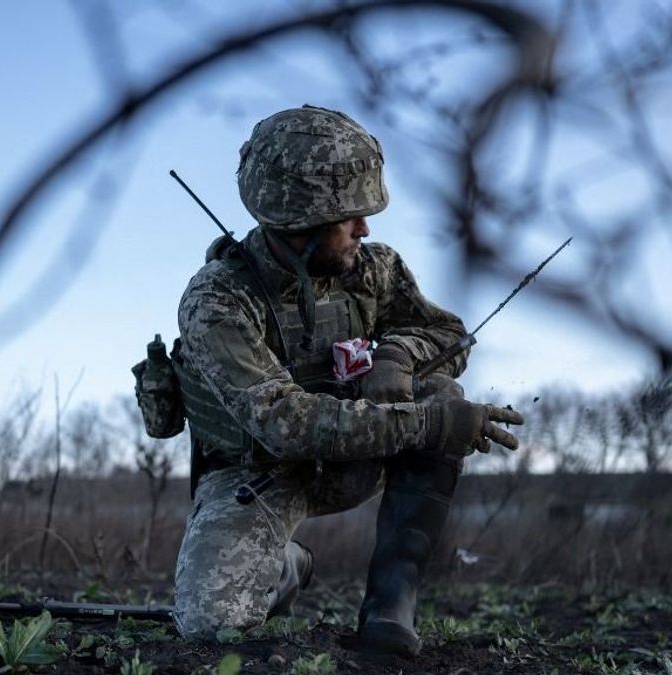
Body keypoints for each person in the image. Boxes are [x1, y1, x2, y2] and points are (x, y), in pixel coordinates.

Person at [168, 105, 523, 656]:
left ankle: (390, 603)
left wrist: (397, 358)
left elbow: (447, 334)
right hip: (258, 476)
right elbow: (286, 425)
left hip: (357, 459)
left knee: (439, 388)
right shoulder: (217, 301)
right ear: (299, 223)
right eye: (349, 215)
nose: (365, 228)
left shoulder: (373, 269)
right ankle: (287, 567)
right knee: (211, 623)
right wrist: (428, 426)